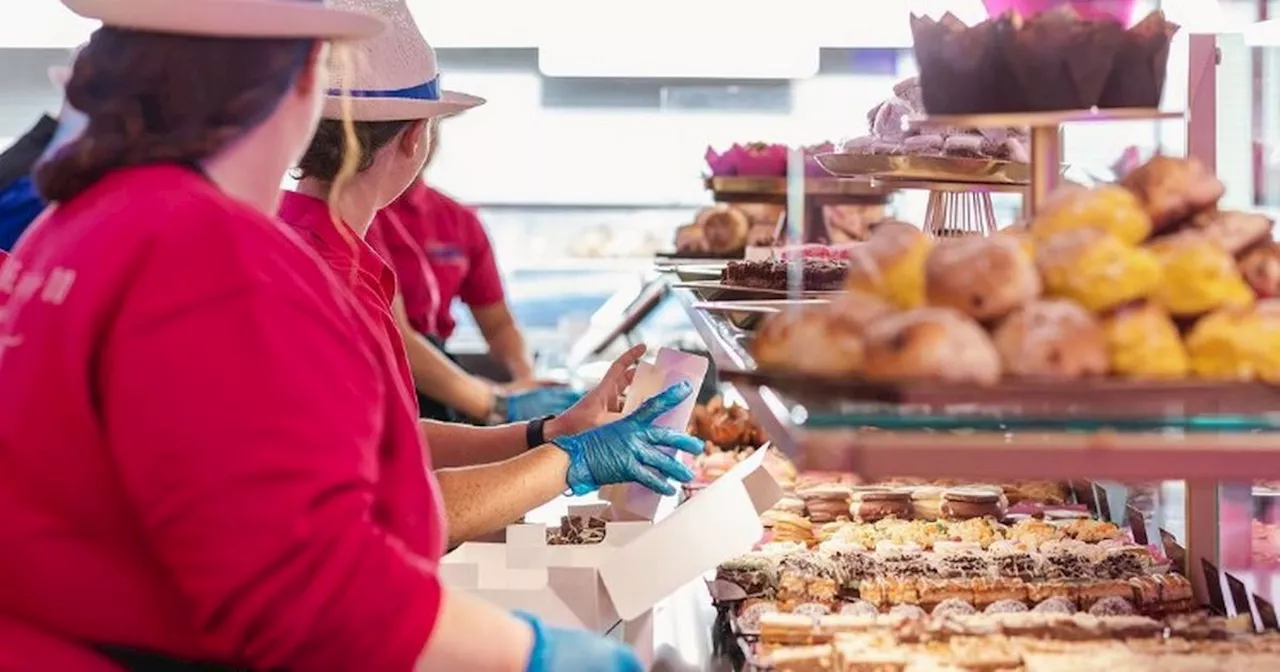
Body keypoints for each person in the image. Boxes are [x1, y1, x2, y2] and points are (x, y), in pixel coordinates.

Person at [0, 1, 665, 669]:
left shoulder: (77, 226)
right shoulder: (212, 256)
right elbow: (305, 586)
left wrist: (539, 437)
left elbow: (324, 458)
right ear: (298, 84)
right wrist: (533, 654)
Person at [280, 0, 700, 543]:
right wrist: (568, 462)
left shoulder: (301, 246)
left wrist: (547, 433)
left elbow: (393, 442)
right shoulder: (328, 281)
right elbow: (398, 512)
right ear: (414, 139)